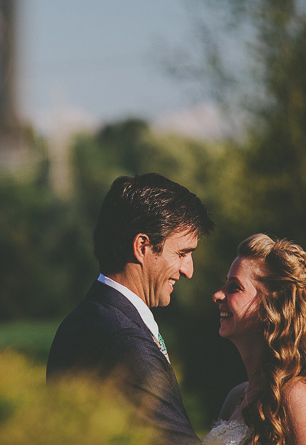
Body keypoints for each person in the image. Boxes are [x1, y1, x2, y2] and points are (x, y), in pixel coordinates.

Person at [46, 173, 214, 445]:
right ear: (142, 246)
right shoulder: (126, 340)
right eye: (182, 254)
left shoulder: (83, 318)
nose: (189, 271)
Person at [204, 233, 306, 445]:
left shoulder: (299, 398)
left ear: (273, 307)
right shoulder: (236, 397)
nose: (217, 295)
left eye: (234, 287)